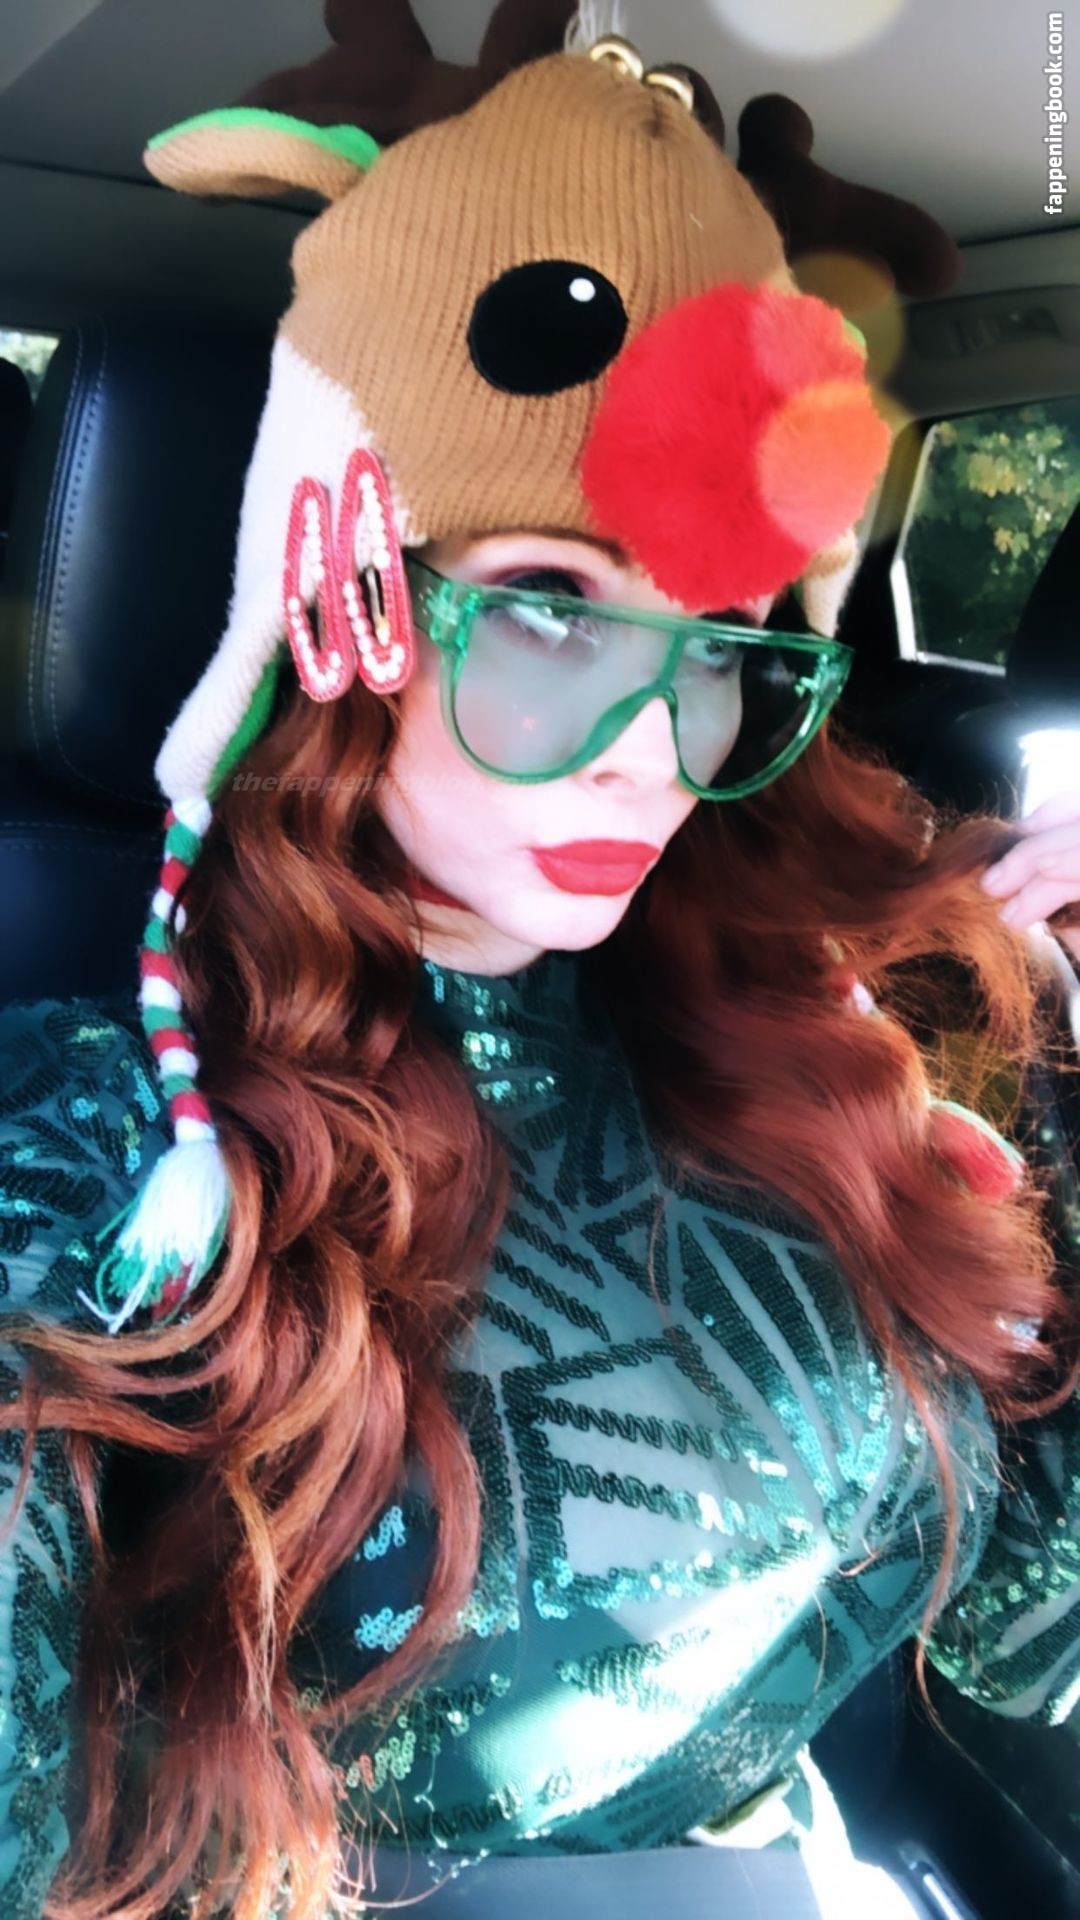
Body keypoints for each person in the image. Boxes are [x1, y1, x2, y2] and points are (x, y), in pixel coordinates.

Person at [2, 5, 1080, 1917]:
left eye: (720, 636)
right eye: (548, 608)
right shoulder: (95, 1152)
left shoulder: (829, 1065)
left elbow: (1027, 1643)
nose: (650, 748)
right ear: (342, 599)